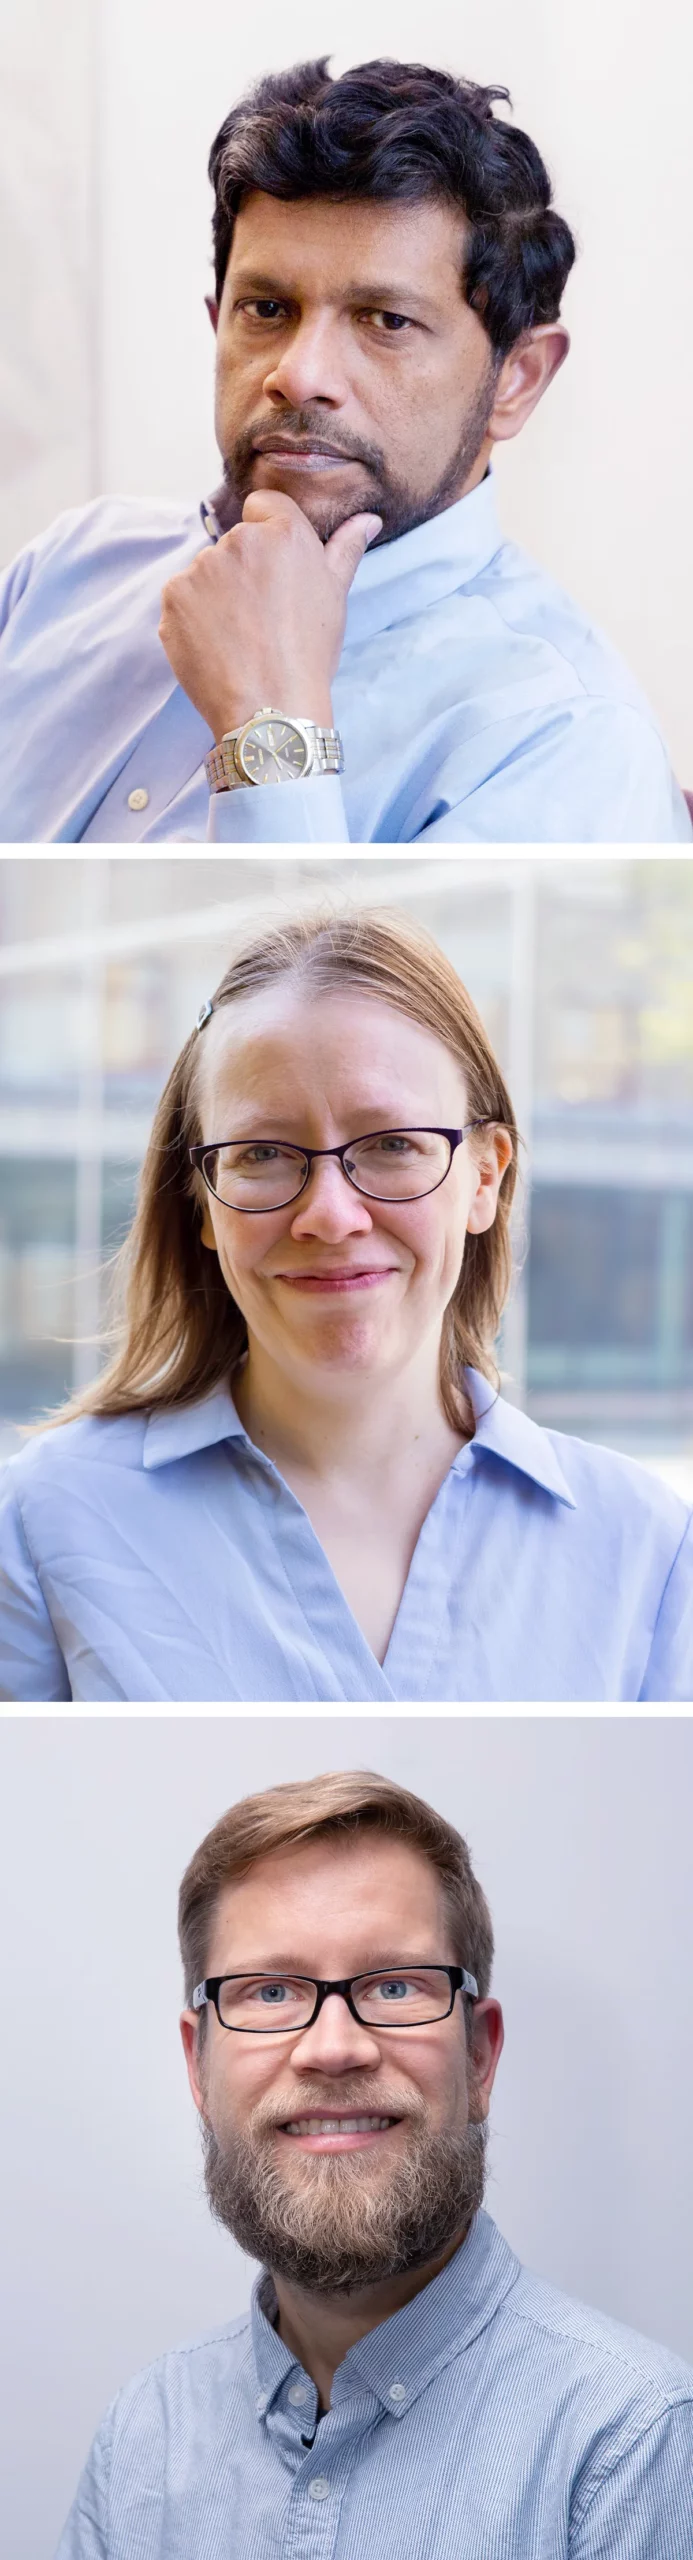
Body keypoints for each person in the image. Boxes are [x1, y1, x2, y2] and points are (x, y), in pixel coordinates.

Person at [1, 908, 691, 1704]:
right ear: (200, 1201)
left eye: (391, 1144)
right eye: (260, 1153)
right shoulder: (46, 1517)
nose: (329, 1215)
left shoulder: (647, 1549)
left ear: (484, 1179)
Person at [0, 57, 689, 846]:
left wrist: (271, 727)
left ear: (516, 379)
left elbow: (323, 975)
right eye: (265, 308)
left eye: (385, 320)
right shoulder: (64, 573)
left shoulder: (564, 739)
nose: (299, 375)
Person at [54, 1769, 693, 2559]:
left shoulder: (635, 2446)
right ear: (197, 2067)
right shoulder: (142, 2439)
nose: (333, 2048)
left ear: (480, 2057)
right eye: (270, 1992)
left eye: (394, 1985)